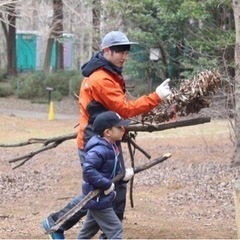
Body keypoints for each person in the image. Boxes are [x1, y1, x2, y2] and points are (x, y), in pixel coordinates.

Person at [42, 30, 171, 239]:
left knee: (112, 188)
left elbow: (115, 111)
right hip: (94, 141)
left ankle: (96, 232)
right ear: (106, 51)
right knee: (98, 191)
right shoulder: (101, 78)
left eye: (126, 51)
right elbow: (125, 108)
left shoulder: (110, 72)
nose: (124, 56)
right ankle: (58, 223)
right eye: (119, 51)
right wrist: (155, 97)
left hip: (107, 137)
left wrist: (122, 128)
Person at [77, 111, 134, 239]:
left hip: (100, 197)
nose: (123, 129)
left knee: (88, 231)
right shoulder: (99, 149)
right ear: (107, 132)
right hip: (97, 197)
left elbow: (109, 171)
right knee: (115, 228)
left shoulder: (111, 146)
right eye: (119, 127)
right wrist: (107, 184)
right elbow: (88, 169)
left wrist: (123, 177)